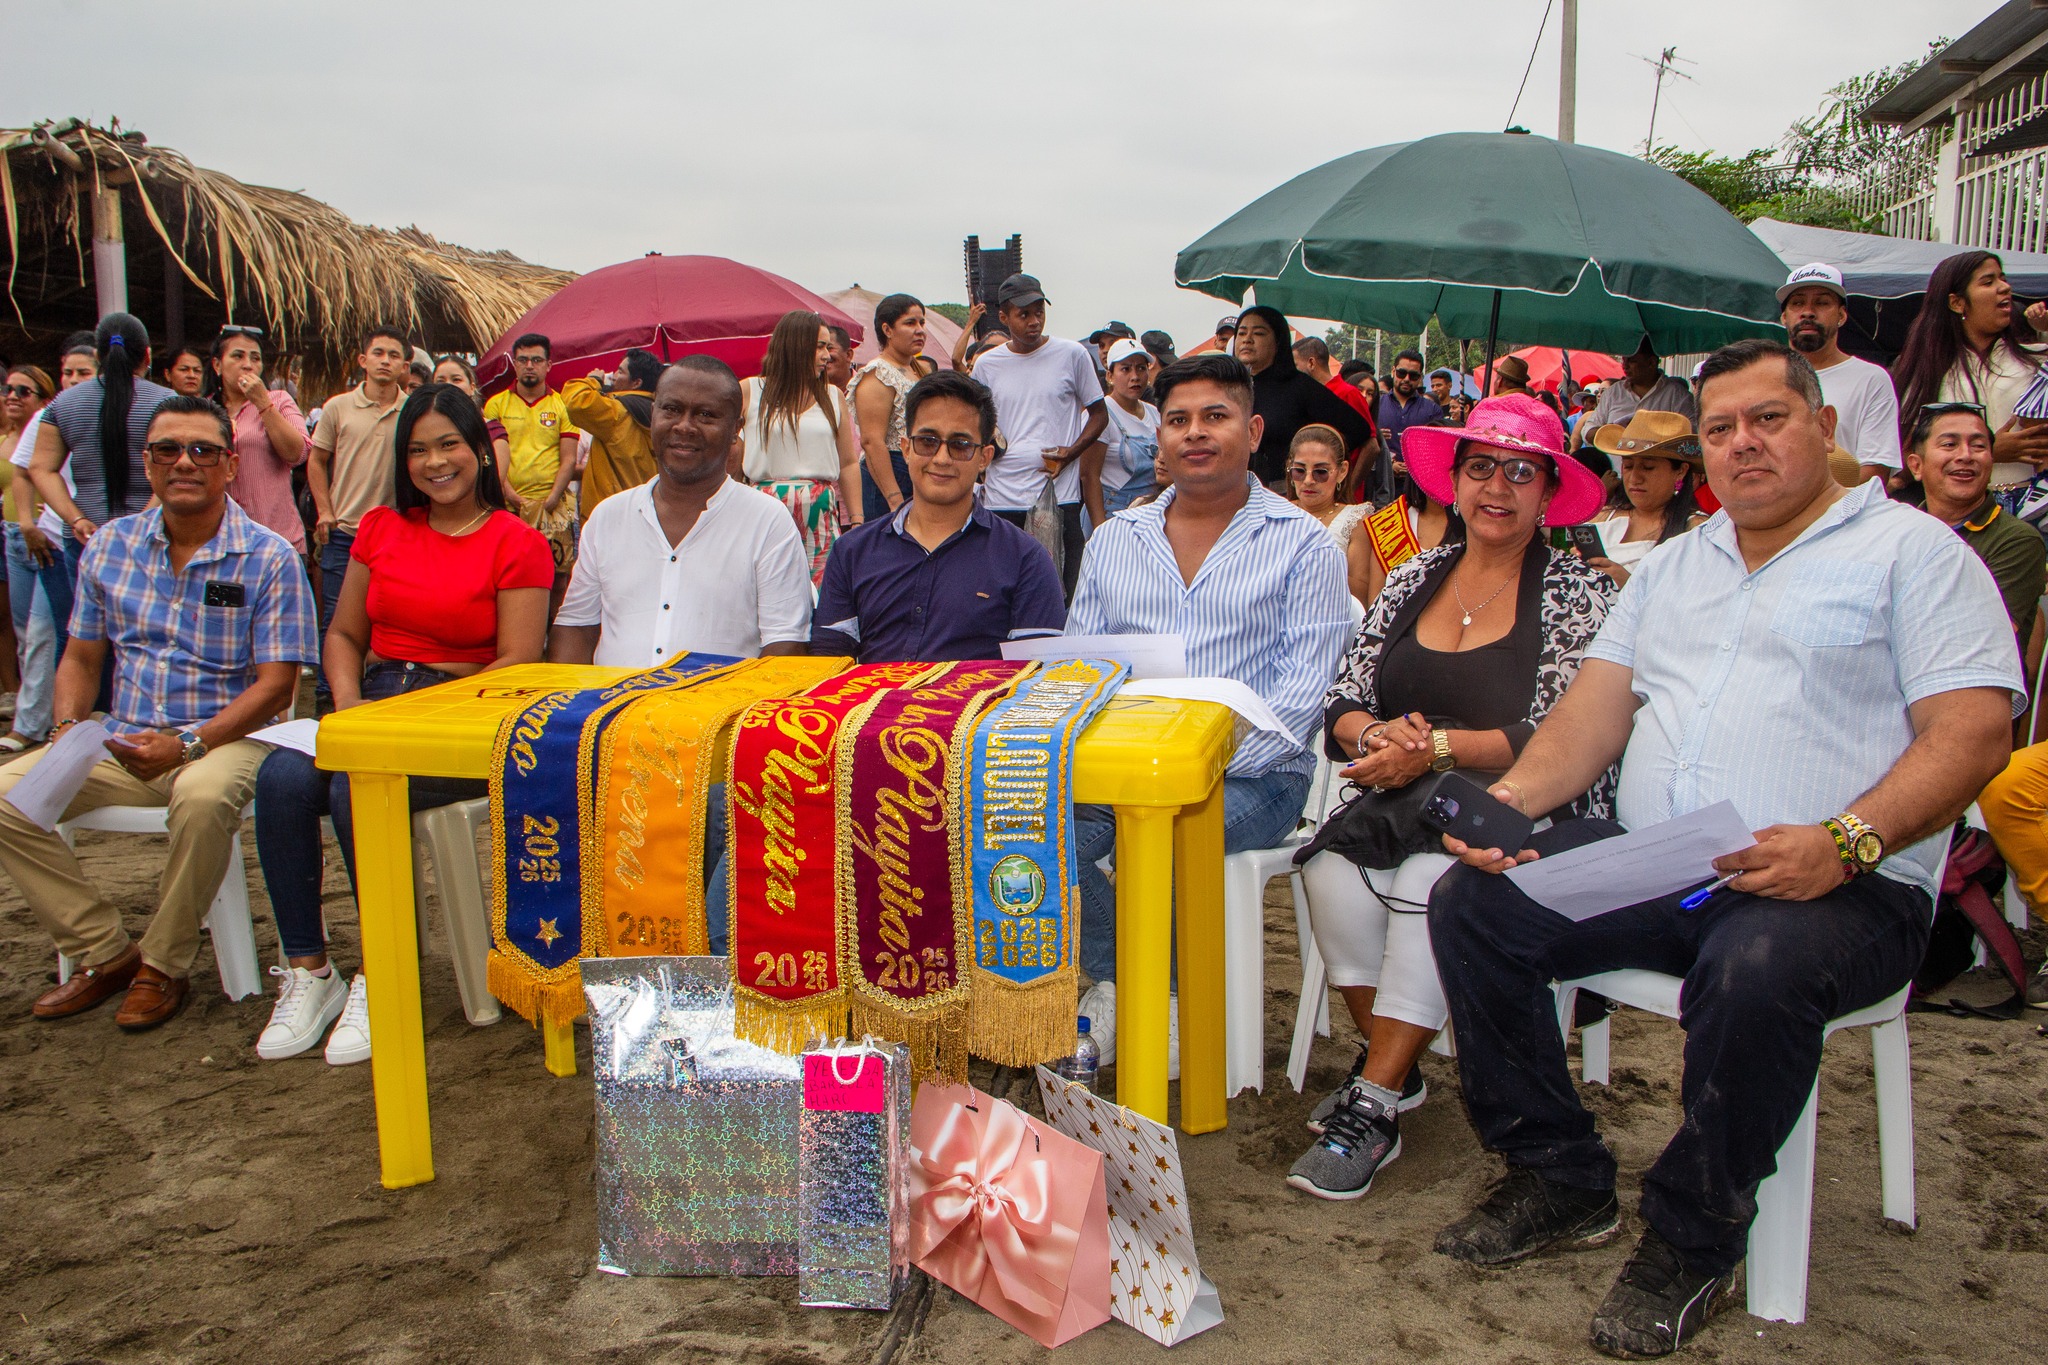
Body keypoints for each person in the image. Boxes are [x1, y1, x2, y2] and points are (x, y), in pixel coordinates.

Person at [1425, 339, 2019, 1358]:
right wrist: (1510, 806)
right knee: (1475, 904)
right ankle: (1557, 1173)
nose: (1743, 443)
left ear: (1823, 428)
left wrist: (1844, 841)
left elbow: (1972, 733)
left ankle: (1692, 1234)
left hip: (1844, 883)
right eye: (1720, 428)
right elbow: (1590, 718)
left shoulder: (1913, 555)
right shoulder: (1675, 566)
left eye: (1767, 419)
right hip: (1668, 862)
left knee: (1756, 966)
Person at [1288, 393, 1614, 1201]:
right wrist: (1377, 737)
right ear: (1454, 481)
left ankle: (1374, 1099)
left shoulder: (1577, 590)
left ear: (1549, 492)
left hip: (1526, 798)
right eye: (1480, 467)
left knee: (1430, 879)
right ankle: (1397, 1065)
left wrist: (1431, 748)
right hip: (1404, 790)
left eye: (1521, 472)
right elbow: (1344, 694)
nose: (1497, 486)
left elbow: (1559, 728)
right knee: (1327, 869)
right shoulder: (1413, 576)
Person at [252, 384, 551, 1064]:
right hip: (374, 698)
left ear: (480, 449)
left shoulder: (517, 541)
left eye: (449, 444)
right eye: (418, 450)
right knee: (281, 779)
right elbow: (343, 634)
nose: (434, 462)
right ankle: (309, 970)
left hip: (463, 713)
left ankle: (384, 970)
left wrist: (412, 715)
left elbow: (517, 662)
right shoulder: (382, 529)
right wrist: (349, 704)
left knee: (352, 786)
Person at [0, 394, 319, 1031]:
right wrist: (68, 730)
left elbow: (275, 687)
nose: (185, 463)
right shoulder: (110, 547)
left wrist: (189, 744)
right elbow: (81, 657)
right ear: (147, 464)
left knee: (200, 798)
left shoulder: (268, 557)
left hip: (229, 740)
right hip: (123, 742)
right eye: (167, 450)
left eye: (203, 450)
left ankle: (163, 964)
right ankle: (105, 952)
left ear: (230, 465)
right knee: (8, 798)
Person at [1066, 354, 1351, 1064]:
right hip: (1117, 770)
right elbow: (1078, 671)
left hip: (1258, 779)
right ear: (1159, 438)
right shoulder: (1114, 540)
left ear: (1252, 432)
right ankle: (1129, 979)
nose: (1195, 433)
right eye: (1179, 420)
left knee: (1158, 835)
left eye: (1215, 416)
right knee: (1033, 833)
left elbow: (1300, 699)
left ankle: (1153, 1000)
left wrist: (1187, 764)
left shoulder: (1304, 544)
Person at [550, 355, 812, 667]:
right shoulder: (607, 517)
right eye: (672, 409)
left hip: (725, 698)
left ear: (735, 430)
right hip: (612, 698)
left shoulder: (767, 522)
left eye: (706, 415)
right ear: (653, 415)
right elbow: (576, 628)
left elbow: (785, 644)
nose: (684, 426)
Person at [812, 371, 1064, 664]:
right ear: (906, 449)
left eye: (960, 445)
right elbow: (827, 662)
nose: (942, 458)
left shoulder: (1024, 559)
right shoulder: (853, 551)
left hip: (980, 695)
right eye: (928, 441)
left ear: (984, 458)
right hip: (872, 694)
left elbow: (1038, 673)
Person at [29, 314, 176, 653]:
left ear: (98, 355)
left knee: (85, 640)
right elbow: (172, 471)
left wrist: (76, 519)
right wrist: (142, 521)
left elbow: (41, 469)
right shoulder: (168, 403)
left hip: (86, 538)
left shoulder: (62, 405)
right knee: (148, 639)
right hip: (154, 537)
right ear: (147, 356)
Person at [971, 274, 1107, 600]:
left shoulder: (1072, 355)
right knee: (1003, 593)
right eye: (1024, 314)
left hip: (1059, 498)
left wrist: (1071, 452)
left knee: (1060, 594)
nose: (1034, 322)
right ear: (1003, 317)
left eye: (1039, 312)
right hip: (1003, 498)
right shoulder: (987, 365)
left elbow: (1099, 414)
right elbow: (972, 421)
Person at [307, 325, 410, 706]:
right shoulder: (338, 407)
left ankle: (374, 692)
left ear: (404, 365)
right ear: (363, 360)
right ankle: (327, 698)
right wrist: (325, 510)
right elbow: (316, 460)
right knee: (336, 620)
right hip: (346, 531)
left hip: (396, 535)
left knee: (389, 619)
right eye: (378, 353)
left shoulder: (412, 410)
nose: (385, 361)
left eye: (394, 355)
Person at [1892, 250, 2048, 496]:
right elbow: (1910, 454)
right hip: (1955, 508)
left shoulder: (2036, 361)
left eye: (2003, 278)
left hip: (2033, 505)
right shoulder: (1926, 369)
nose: (2004, 287)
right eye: (1988, 282)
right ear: (1957, 303)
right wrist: (1990, 450)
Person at [1902, 401, 2046, 648]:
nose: (1965, 456)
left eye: (1978, 446)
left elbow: (1982, 636)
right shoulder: (1898, 531)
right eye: (1949, 444)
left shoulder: (2016, 540)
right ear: (1916, 465)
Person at [739, 310, 859, 583]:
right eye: (819, 347)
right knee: (766, 585)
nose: (827, 356)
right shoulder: (750, 390)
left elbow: (848, 463)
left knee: (824, 590)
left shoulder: (832, 396)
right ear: (794, 345)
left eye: (828, 347)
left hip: (820, 513)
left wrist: (857, 520)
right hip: (764, 509)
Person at [1772, 263, 1900, 485]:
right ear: (1784, 317)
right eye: (1798, 303)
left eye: (1822, 303)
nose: (1808, 312)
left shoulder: (1871, 380)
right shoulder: (1763, 377)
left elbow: (1875, 473)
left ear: (1841, 315)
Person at [482, 333, 581, 616]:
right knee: (508, 574)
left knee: (558, 576)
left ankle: (553, 631)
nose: (529, 366)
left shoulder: (561, 405)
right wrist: (511, 495)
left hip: (553, 506)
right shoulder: (496, 405)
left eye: (536, 360)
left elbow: (568, 459)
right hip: (507, 504)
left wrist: (552, 499)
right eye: (523, 360)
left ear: (548, 365)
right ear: (514, 364)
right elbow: (492, 457)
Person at [1234, 307, 1371, 490]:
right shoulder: (1232, 387)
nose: (1247, 340)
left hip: (1286, 492)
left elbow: (1358, 430)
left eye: (1258, 333)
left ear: (1278, 341)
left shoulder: (1300, 386)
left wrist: (1316, 464)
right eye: (1241, 333)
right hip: (1236, 490)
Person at [210, 326, 308, 553]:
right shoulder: (205, 409)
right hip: (221, 541)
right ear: (217, 365)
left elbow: (297, 453)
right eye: (238, 356)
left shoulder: (279, 400)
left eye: (255, 358)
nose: (248, 365)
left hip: (277, 541)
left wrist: (262, 403)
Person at [1581, 410, 1706, 585]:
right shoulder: (1602, 517)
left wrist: (1629, 584)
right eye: (1628, 466)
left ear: (1681, 471)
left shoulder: (1696, 531)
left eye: (1648, 467)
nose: (1634, 478)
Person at [1, 365, 55, 751]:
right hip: (14, 536)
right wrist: (21, 522)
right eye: (9, 389)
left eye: (24, 391)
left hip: (50, 535)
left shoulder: (52, 428)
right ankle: (31, 709)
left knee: (41, 630)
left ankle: (33, 722)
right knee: (22, 630)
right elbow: (17, 477)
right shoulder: (7, 438)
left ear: (42, 398)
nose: (13, 396)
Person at [849, 293, 933, 521]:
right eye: (910, 323)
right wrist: (894, 499)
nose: (920, 330)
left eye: (922, 323)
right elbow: (872, 441)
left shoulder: (919, 370)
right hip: (890, 473)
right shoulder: (878, 373)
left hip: (918, 468)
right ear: (887, 329)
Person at [560, 348, 663, 516]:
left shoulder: (617, 413)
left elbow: (575, 401)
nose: (613, 375)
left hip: (610, 512)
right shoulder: (659, 412)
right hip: (646, 509)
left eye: (620, 372)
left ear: (636, 383)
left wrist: (593, 380)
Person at [1284, 424, 1371, 602]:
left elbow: (1363, 595)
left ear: (1342, 471)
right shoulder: (1272, 512)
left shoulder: (1355, 521)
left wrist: (1320, 568)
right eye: (1299, 471)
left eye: (1320, 472)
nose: (1308, 480)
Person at [1570, 336, 1697, 450]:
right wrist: (1611, 433)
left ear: (1651, 362)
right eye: (1624, 360)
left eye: (1632, 360)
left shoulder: (1677, 396)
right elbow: (1588, 430)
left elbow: (1693, 436)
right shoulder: (1613, 393)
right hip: (1615, 469)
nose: (1625, 366)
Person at [1089, 338, 1162, 521]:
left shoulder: (1154, 413)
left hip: (1150, 512)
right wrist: (1100, 527)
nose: (1135, 376)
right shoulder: (1100, 414)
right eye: (1125, 369)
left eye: (1141, 368)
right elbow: (1089, 476)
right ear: (1110, 376)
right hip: (1113, 514)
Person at [1293, 335, 1380, 437]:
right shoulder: (1306, 395)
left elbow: (1370, 442)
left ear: (1311, 363)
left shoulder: (1348, 394)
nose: (1292, 371)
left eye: (1295, 365)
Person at [1375, 350, 1445, 462]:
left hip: (1419, 471)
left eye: (1413, 375)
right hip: (1382, 471)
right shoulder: (1376, 405)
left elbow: (1439, 447)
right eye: (1401, 373)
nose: (1406, 379)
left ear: (1420, 377)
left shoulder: (1432, 410)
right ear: (1393, 371)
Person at [822, 324, 855, 391]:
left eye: (829, 348)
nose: (824, 355)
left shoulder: (866, 386)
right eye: (819, 348)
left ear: (848, 355)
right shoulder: (809, 391)